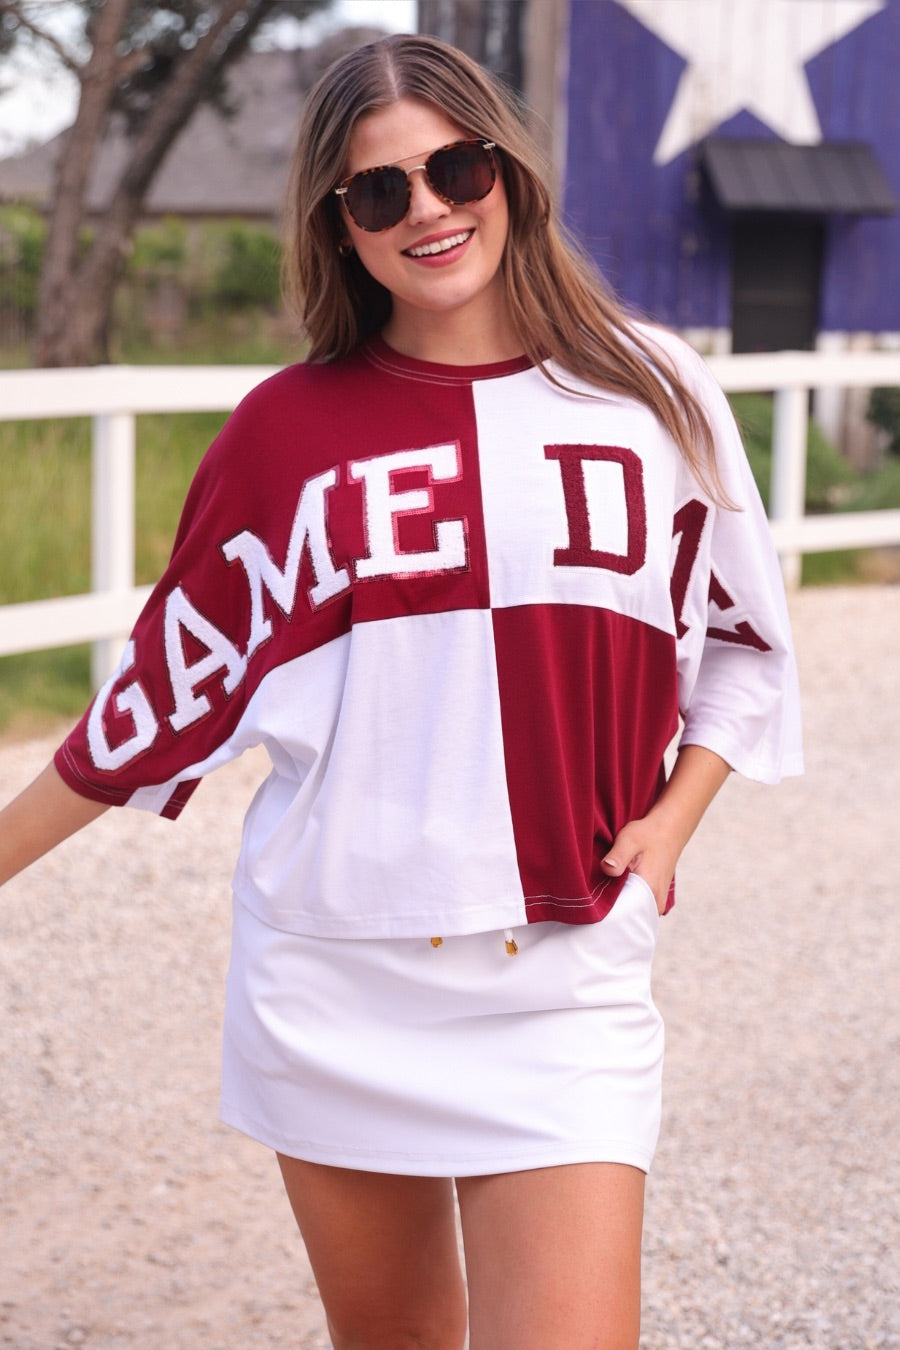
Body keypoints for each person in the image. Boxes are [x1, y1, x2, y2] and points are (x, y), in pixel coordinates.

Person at [0, 33, 802, 1350]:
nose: (427, 209)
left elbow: (742, 643)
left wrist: (673, 824)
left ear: (508, 171)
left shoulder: (650, 391)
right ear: (340, 223)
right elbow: (152, 707)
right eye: (380, 190)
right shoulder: (286, 434)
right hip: (336, 976)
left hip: (564, 976)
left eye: (455, 168)